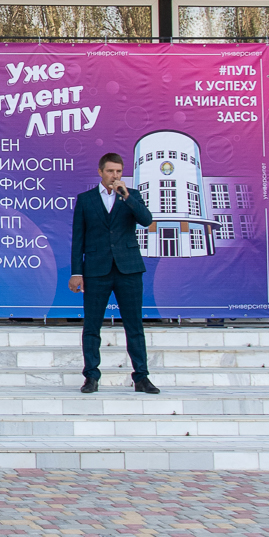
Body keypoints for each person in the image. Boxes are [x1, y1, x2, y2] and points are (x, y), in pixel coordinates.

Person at [68, 151, 158, 394]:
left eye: (118, 171)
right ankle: (91, 376)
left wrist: (126, 196)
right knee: (92, 326)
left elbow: (146, 220)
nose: (114, 175)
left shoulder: (132, 196)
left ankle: (141, 377)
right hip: (96, 269)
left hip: (129, 269)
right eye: (110, 171)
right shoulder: (86, 199)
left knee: (134, 325)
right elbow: (78, 238)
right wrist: (77, 272)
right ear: (100, 172)